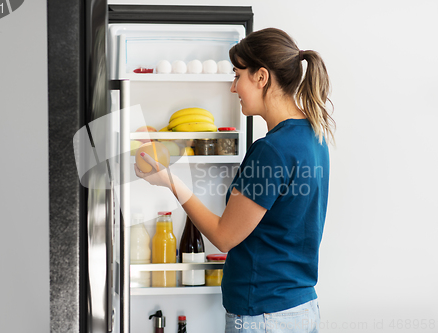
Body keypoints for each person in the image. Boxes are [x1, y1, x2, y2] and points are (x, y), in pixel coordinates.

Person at [134, 27, 334, 333]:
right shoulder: (313, 136)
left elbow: (225, 236)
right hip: (300, 308)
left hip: (264, 315)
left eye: (238, 75)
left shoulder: (271, 150)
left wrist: (170, 182)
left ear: (261, 77)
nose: (233, 87)